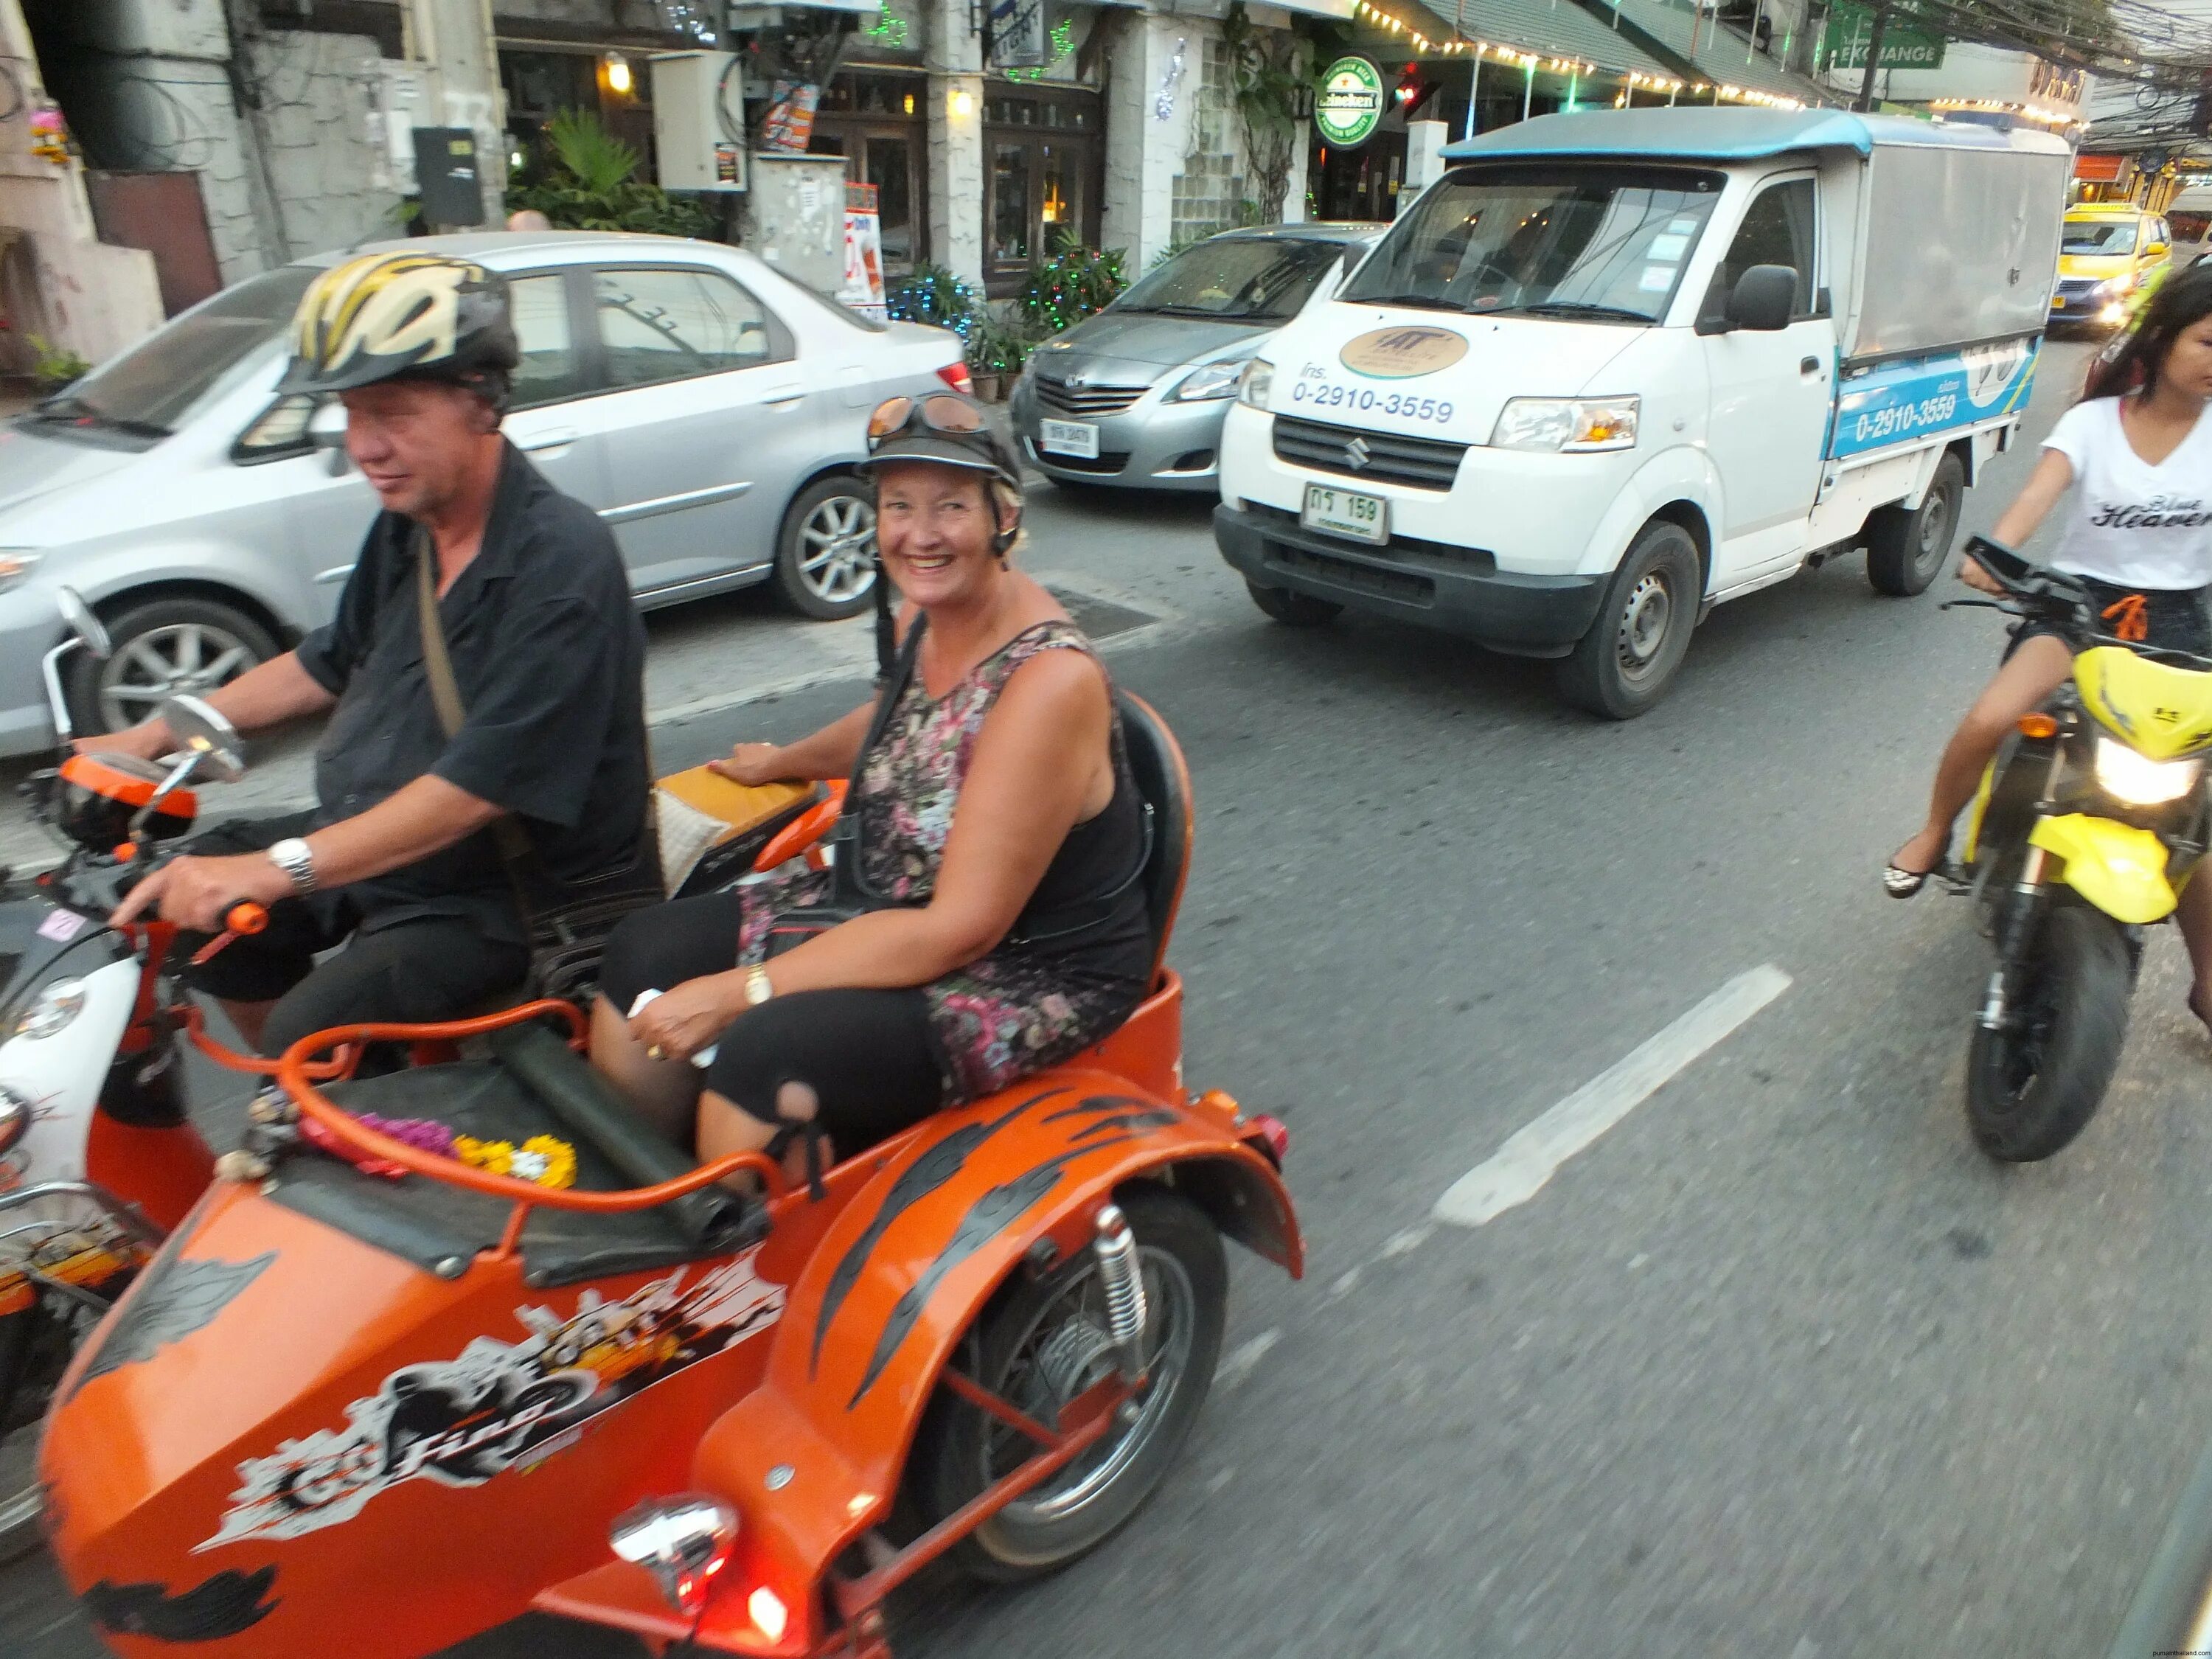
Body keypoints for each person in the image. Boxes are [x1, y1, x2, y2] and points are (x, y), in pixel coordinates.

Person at [104, 250, 654, 1056]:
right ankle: (341, 1103)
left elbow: (472, 795)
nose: (366, 446)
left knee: (307, 1032)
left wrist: (275, 869)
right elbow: (324, 661)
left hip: (509, 897)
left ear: (482, 403)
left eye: (393, 414)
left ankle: (355, 1132)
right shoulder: (413, 527)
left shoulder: (560, 564)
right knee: (193, 911)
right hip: (387, 846)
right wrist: (151, 734)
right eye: (353, 415)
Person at [591, 394, 1152, 1175]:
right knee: (640, 950)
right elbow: (901, 720)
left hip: (1024, 967)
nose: (919, 535)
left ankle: (738, 1272)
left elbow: (961, 931)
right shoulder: (934, 614)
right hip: (894, 898)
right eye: (897, 506)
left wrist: (740, 992)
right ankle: (653, 1198)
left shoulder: (1049, 682)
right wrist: (786, 761)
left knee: (769, 1051)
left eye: (950, 506)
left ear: (1004, 519)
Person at [1886, 264, 2212, 1023]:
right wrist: (1994, 553)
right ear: (2164, 339)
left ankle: (2208, 981)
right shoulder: (2093, 425)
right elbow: (2034, 501)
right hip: (2078, 609)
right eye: (2206, 340)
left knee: (2198, 807)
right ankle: (1937, 833)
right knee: (1992, 718)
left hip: (2182, 628)